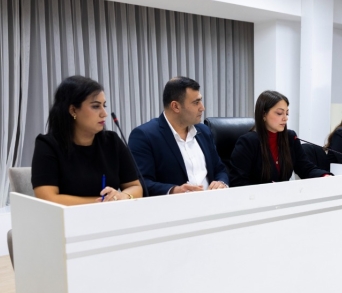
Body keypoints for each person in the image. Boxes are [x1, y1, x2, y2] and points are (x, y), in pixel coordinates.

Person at [31, 75, 142, 205]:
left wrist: (123, 196)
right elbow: (48, 199)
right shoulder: (48, 145)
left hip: (109, 216)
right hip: (67, 217)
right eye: (96, 106)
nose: (104, 113)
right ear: (73, 110)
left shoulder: (112, 141)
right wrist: (102, 203)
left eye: (104, 106)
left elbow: (136, 187)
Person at [128, 77, 229, 196]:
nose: (202, 108)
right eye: (196, 102)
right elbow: (142, 183)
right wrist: (173, 190)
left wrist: (221, 182)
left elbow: (220, 169)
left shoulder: (204, 131)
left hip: (212, 202)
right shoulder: (144, 136)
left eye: (200, 101)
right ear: (175, 106)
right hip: (172, 206)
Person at [229, 90, 329, 186]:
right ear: (264, 114)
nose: (285, 118)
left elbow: (305, 167)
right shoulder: (248, 142)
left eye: (287, 113)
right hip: (256, 197)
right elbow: (237, 181)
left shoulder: (290, 137)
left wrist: (324, 176)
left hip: (283, 196)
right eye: (280, 113)